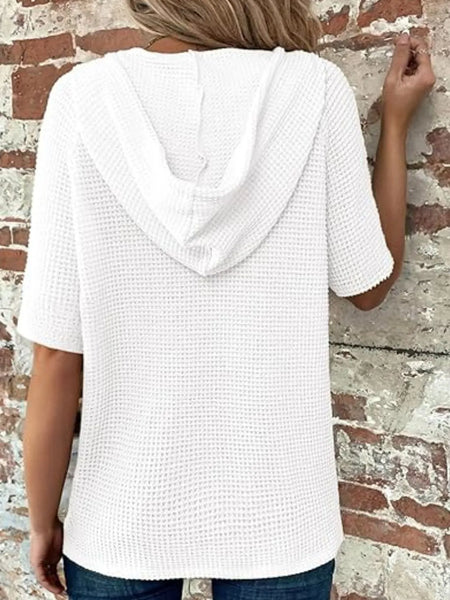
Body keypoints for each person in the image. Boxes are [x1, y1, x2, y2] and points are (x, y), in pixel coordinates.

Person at [16, 1, 435, 599]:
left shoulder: (82, 100)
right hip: (281, 516)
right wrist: (394, 126)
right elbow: (369, 286)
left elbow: (57, 354)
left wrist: (41, 522)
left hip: (121, 515)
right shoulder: (314, 90)